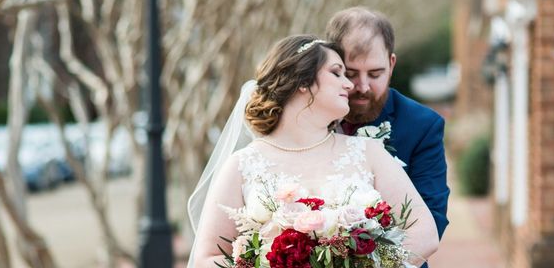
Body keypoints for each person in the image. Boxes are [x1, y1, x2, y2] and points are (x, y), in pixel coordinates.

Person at [187, 35, 439, 268]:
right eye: (336, 73)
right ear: (303, 81)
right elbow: (207, 258)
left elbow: (425, 233)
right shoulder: (242, 164)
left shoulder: (368, 153)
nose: (349, 84)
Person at [326, 7, 450, 242]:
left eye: (375, 74)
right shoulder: (307, 118)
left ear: (391, 64)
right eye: (351, 73)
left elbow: (433, 221)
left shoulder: (422, 126)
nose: (362, 87)